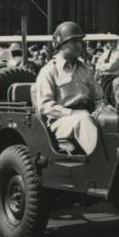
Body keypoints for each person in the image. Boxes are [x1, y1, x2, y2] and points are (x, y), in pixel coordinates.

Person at [33, 21, 107, 154]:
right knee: (84, 119)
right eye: (74, 41)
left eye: (80, 41)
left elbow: (98, 97)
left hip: (87, 114)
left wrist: (100, 109)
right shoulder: (49, 71)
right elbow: (45, 106)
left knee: (114, 118)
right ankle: (102, 162)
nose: (79, 45)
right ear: (60, 44)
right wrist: (72, 113)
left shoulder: (84, 69)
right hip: (61, 121)